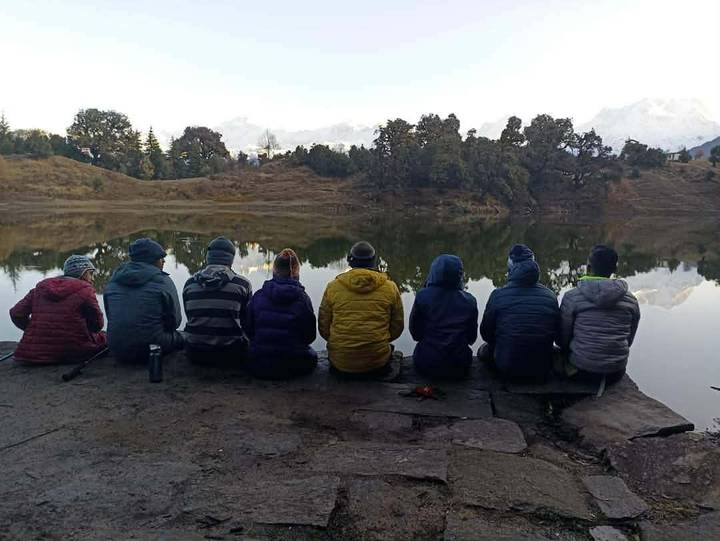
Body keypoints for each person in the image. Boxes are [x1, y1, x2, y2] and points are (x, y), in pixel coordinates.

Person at [318, 241, 404, 377]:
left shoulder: (332, 287)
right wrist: (379, 340)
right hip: (377, 362)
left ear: (350, 261)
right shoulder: (390, 287)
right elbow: (397, 327)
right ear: (374, 261)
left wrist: (341, 342)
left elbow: (323, 327)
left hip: (341, 362)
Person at [560, 245, 640, 384]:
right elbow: (629, 340)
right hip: (615, 373)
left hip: (580, 371)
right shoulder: (631, 301)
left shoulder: (571, 297)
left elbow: (562, 339)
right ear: (615, 270)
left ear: (588, 268)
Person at [479, 244, 560, 380]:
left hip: (506, 367)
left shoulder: (498, 295)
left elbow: (486, 334)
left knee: (483, 350)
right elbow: (557, 334)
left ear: (510, 268)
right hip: (542, 368)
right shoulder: (550, 296)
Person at [9, 255, 106, 364]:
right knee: (105, 337)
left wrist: (34, 330)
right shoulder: (85, 290)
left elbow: (16, 313)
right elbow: (97, 325)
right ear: (83, 273)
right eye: (91, 273)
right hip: (74, 352)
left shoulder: (40, 288)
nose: (92, 278)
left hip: (31, 355)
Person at [103, 237, 183, 363]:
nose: (163, 261)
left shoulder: (113, 280)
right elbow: (175, 321)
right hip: (152, 347)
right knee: (184, 336)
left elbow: (110, 315)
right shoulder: (163, 281)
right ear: (152, 260)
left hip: (117, 347)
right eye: (161, 258)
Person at [245, 248, 317, 379]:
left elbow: (249, 330)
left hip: (259, 364)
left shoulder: (258, 296)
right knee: (312, 356)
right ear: (296, 272)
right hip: (294, 364)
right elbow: (310, 336)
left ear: (274, 270)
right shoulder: (303, 299)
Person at [182, 237, 252, 366]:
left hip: (195, 352)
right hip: (230, 353)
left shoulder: (190, 284)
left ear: (208, 257)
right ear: (231, 259)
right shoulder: (242, 284)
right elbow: (246, 321)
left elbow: (190, 316)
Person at [409, 254, 478, 380]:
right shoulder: (470, 301)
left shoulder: (422, 297)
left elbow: (415, 334)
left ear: (433, 271)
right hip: (460, 365)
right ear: (460, 275)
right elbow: (471, 339)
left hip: (426, 363)